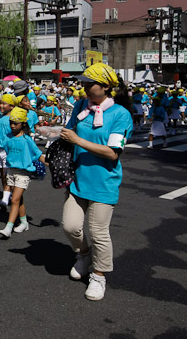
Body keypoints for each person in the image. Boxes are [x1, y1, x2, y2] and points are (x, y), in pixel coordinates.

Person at [59, 63, 133, 301]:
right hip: (78, 178)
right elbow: (68, 133)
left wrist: (77, 140)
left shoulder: (120, 115)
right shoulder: (81, 106)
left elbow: (112, 153)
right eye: (83, 83)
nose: (84, 88)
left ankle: (99, 276)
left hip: (104, 181)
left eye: (89, 84)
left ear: (106, 87)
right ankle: (83, 254)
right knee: (70, 226)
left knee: (99, 232)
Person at [0, 107, 45, 238]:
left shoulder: (27, 140)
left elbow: (38, 154)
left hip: (23, 173)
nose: (12, 126)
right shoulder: (8, 138)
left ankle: (8, 227)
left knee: (15, 199)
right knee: (19, 199)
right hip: (11, 171)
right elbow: (7, 151)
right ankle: (24, 222)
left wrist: (51, 164)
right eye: (11, 123)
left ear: (23, 124)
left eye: (15, 123)